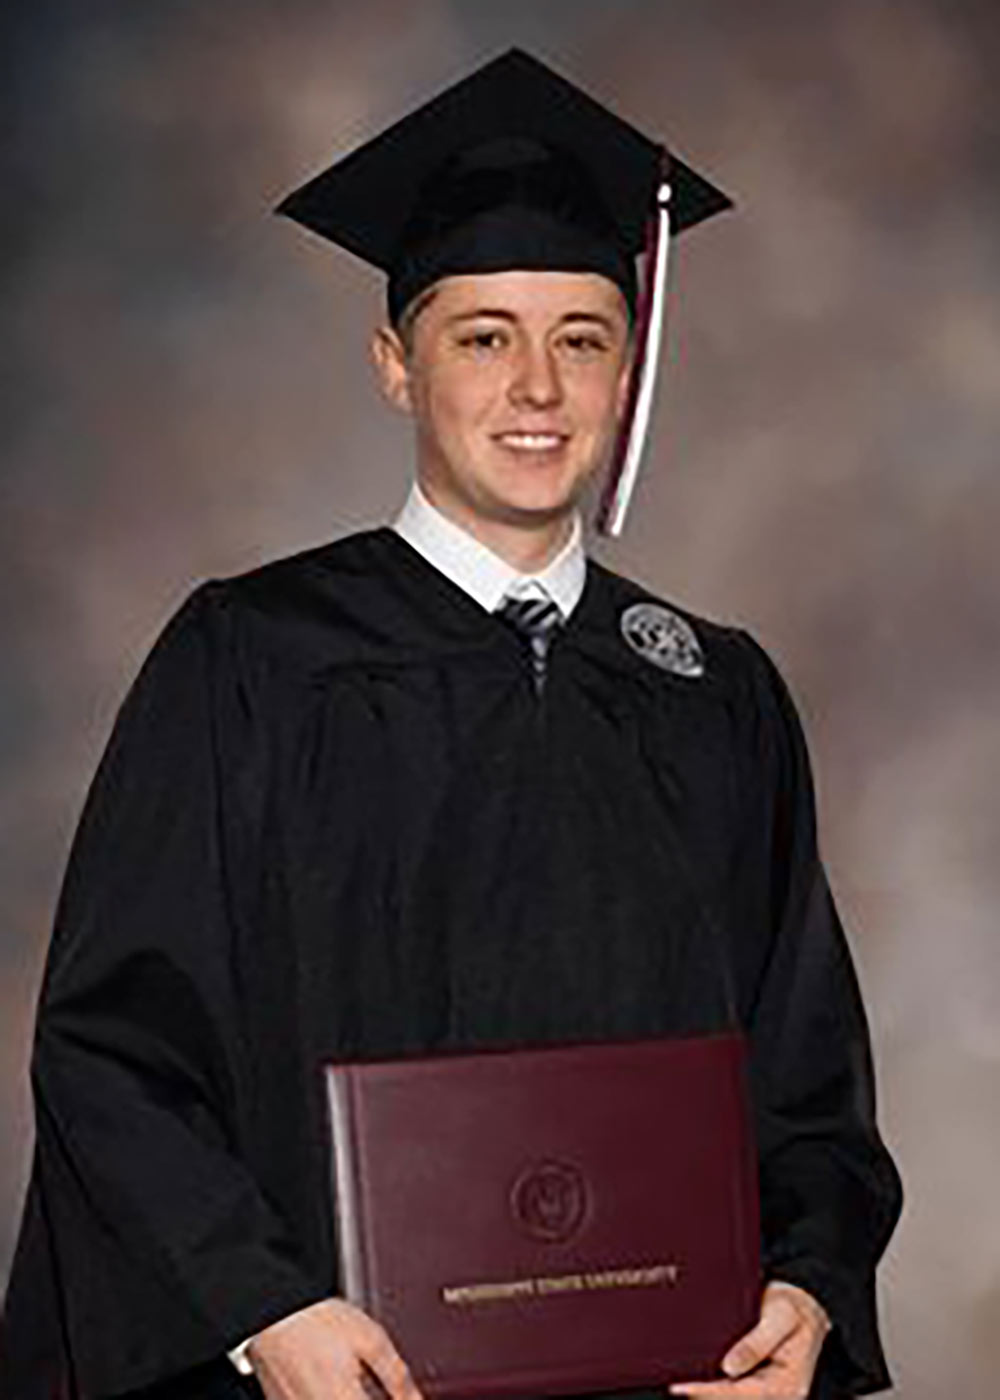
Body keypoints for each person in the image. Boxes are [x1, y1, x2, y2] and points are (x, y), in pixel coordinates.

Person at [0, 47, 902, 1400]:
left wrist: (808, 1286)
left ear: (624, 375)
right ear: (395, 366)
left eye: (581, 341)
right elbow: (112, 1051)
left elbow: (806, 1077)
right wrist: (265, 1309)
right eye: (485, 337)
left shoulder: (716, 697)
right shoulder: (251, 662)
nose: (537, 389)